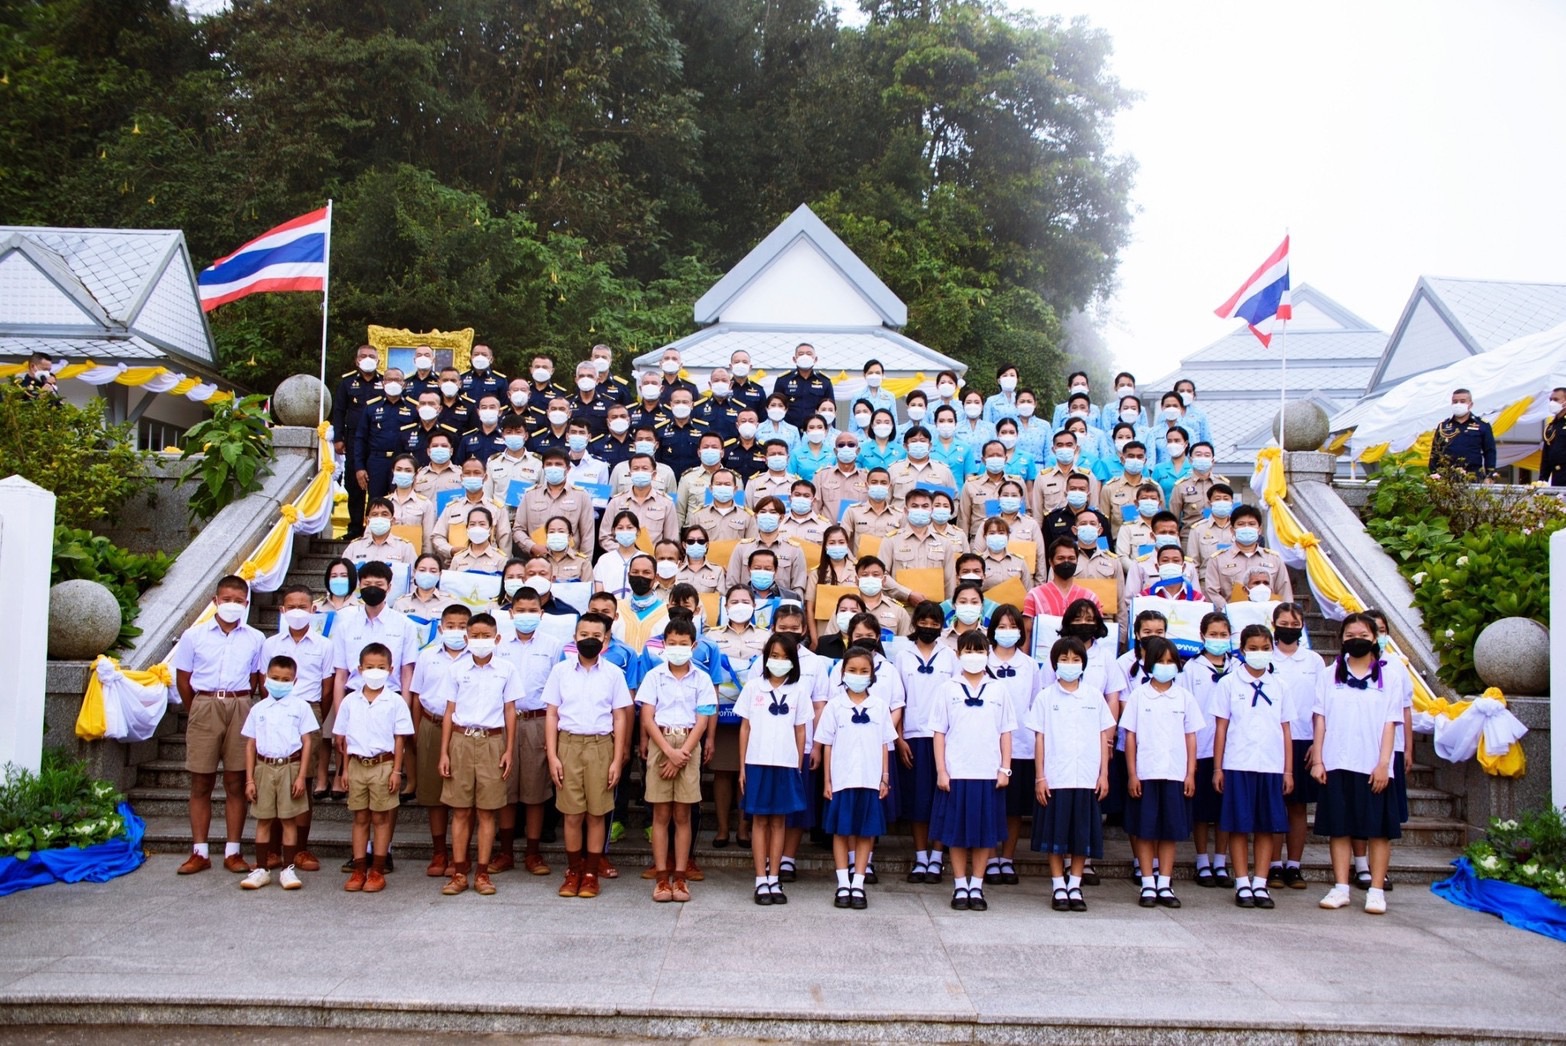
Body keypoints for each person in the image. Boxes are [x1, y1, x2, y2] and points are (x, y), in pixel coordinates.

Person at [1311, 613, 1403, 915]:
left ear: (1374, 638)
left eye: (1362, 634)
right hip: (1337, 762)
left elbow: (1391, 722)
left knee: (1377, 830)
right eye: (1349, 635)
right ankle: (1340, 887)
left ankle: (1376, 891)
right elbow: (1320, 719)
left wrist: (1383, 763)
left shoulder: (1389, 675)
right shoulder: (1329, 674)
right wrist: (1319, 759)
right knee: (1339, 828)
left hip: (1373, 764)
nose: (1356, 640)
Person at [173, 575, 264, 876]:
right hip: (205, 703)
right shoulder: (194, 636)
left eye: (238, 601)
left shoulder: (255, 638)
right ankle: (199, 851)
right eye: (226, 600)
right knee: (201, 781)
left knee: (236, 782)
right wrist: (198, 708)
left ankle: (233, 850)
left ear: (247, 604)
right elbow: (183, 680)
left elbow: (255, 680)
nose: (232, 605)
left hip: (240, 705)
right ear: (215, 601)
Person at [543, 612, 634, 899]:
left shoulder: (613, 674)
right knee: (572, 814)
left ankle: (592, 872)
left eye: (596, 636)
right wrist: (553, 755)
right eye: (584, 635)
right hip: (568, 744)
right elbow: (551, 713)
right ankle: (573, 871)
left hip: (600, 746)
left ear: (606, 640)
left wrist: (617, 759)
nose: (589, 640)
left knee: (596, 814)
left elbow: (620, 717)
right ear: (574, 637)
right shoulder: (561, 672)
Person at [434, 613, 518, 896]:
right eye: (475, 636)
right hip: (461, 739)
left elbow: (510, 712)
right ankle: (459, 872)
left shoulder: (506, 669)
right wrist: (444, 751)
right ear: (466, 639)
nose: (481, 641)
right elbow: (449, 711)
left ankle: (482, 873)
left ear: (497, 639)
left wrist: (508, 749)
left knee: (487, 811)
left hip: (492, 741)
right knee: (459, 810)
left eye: (486, 636)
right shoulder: (457, 670)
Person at [930, 631, 1014, 913]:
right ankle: (959, 884)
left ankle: (976, 886)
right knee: (955, 833)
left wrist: (1005, 768)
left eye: (979, 651)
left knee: (983, 834)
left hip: (988, 773)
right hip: (956, 772)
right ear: (958, 654)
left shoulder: (998, 689)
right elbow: (939, 733)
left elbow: (1006, 732)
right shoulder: (947, 688)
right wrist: (941, 770)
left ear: (987, 653)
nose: (974, 656)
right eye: (968, 650)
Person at [1028, 636, 1113, 913]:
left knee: (1081, 834)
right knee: (1055, 834)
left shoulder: (1094, 697)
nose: (1069, 664)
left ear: (1083, 664)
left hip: (1087, 777)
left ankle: (1075, 884)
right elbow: (1039, 739)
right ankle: (1057, 885)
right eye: (1064, 659)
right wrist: (1040, 777)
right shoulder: (1045, 697)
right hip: (1056, 776)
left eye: (1075, 659)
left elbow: (1103, 737)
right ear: (1054, 664)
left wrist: (1104, 775)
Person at [1212, 624, 1293, 910]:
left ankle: (1261, 881)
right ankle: (1242, 882)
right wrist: (1218, 768)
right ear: (1243, 650)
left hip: (1270, 765)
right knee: (1238, 825)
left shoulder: (1280, 685)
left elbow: (1285, 730)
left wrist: (1288, 770)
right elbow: (1221, 728)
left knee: (1265, 827)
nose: (1260, 654)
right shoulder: (1229, 683)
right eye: (1253, 649)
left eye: (1265, 648)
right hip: (1238, 763)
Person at [1121, 636, 1203, 910]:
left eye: (1171, 662)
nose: (1166, 666)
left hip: (1175, 774)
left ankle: (1165, 883)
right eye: (1160, 661)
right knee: (1145, 831)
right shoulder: (1138, 695)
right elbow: (1130, 737)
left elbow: (1191, 737)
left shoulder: (1184, 697)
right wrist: (1132, 774)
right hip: (1146, 772)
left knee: (1169, 831)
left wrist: (1190, 773)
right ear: (1149, 664)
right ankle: (1147, 883)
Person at [639, 618, 714, 903]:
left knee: (682, 815)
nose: (678, 648)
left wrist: (682, 753)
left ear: (693, 646)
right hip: (661, 742)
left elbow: (703, 718)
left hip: (688, 744)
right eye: (672, 643)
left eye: (683, 644)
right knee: (660, 814)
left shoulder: (702, 679)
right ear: (664, 645)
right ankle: (661, 877)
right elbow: (647, 716)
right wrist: (668, 752)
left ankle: (680, 877)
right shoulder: (654, 677)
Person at [735, 633, 812, 905]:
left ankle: (774, 877)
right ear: (766, 659)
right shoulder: (754, 687)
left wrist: (798, 765)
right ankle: (759, 878)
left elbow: (800, 730)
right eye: (774, 656)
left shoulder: (799, 691)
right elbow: (744, 727)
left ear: (793, 661)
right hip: (757, 761)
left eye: (785, 657)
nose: (779, 661)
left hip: (786, 763)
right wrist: (743, 766)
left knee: (779, 821)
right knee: (759, 820)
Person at [333, 641, 414, 893]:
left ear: (391, 669)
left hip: (384, 764)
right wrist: (345, 769)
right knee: (360, 817)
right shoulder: (349, 701)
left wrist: (397, 770)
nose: (375, 671)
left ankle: (377, 869)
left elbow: (400, 738)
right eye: (369, 667)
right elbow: (343, 738)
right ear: (359, 668)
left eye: (381, 667)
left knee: (380, 818)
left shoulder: (395, 701)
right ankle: (359, 868)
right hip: (357, 764)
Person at [817, 646, 895, 910]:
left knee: (866, 832)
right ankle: (842, 882)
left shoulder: (880, 706)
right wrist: (827, 781)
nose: (858, 675)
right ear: (842, 673)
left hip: (870, 779)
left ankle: (859, 883)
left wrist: (884, 777)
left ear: (872, 675)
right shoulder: (835, 706)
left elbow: (885, 743)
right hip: (842, 779)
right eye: (852, 670)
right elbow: (827, 744)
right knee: (841, 831)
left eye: (864, 671)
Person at [259, 585, 332, 866]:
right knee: (274, 778)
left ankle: (300, 848)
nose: (298, 612)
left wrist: (314, 716)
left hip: (308, 711)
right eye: (292, 607)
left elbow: (326, 688)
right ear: (282, 611)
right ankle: (274, 849)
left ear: (314, 610)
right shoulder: (271, 644)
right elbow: (262, 681)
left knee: (304, 781)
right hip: (275, 710)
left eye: (303, 606)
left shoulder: (325, 645)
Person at [237, 656, 315, 891]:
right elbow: (250, 744)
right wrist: (250, 779)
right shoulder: (259, 709)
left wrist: (301, 776)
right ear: (266, 678)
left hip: (290, 766)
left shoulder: (300, 707)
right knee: (263, 819)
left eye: (285, 679)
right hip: (264, 767)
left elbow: (307, 742)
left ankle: (288, 869)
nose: (279, 683)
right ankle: (261, 868)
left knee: (289, 819)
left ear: (295, 680)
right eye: (275, 678)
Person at [893, 601, 957, 884]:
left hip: (944, 738)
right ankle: (921, 857)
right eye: (924, 621)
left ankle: (937, 857)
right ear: (915, 622)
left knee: (941, 798)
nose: (929, 627)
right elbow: (898, 699)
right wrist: (899, 738)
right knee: (918, 800)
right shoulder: (902, 655)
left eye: (935, 623)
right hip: (913, 736)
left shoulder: (950, 655)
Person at [408, 603, 471, 878]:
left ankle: (462, 852)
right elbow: (417, 697)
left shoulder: (477, 658)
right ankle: (439, 851)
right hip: (431, 725)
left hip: (465, 731)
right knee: (434, 794)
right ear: (441, 627)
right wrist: (414, 730)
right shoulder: (427, 657)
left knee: (463, 793)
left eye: (462, 626)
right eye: (451, 626)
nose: (456, 631)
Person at [1270, 601, 1327, 890]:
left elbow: (1321, 706)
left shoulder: (1314, 661)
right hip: (1272, 740)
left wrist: (1317, 744)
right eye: (1284, 623)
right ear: (1273, 624)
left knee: (1297, 807)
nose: (1289, 629)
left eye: (1295, 625)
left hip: (1304, 739)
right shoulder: (1264, 657)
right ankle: (1273, 865)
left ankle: (1294, 865)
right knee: (1274, 803)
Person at [984, 606, 1039, 887]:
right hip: (986, 745)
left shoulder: (1030, 665)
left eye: (1012, 626)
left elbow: (1034, 702)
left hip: (1022, 745)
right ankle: (990, 858)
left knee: (1014, 808)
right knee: (991, 804)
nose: (1007, 632)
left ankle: (1007, 858)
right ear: (992, 629)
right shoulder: (983, 660)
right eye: (1001, 627)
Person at [1181, 612, 1234, 889]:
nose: (1218, 639)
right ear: (1202, 636)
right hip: (1201, 747)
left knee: (1225, 809)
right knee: (1201, 811)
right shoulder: (1192, 668)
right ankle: (1202, 860)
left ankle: (1221, 860)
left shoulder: (1238, 666)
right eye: (1213, 634)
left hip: (1231, 750)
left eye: (1223, 635)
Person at [332, 345, 383, 539]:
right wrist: (338, 437)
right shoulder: (347, 383)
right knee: (355, 484)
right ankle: (355, 527)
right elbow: (339, 411)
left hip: (377, 438)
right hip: (353, 439)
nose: (367, 359)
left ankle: (375, 527)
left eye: (371, 356)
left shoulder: (383, 382)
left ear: (378, 361)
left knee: (377, 484)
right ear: (356, 360)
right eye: (363, 356)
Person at [1203, 504, 1291, 610]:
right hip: (1231, 618)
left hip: (1268, 618)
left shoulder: (1274, 559)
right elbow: (1211, 592)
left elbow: (1285, 593)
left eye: (1251, 524)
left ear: (1259, 529)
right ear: (1232, 530)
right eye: (1241, 524)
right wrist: (1228, 611)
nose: (1246, 528)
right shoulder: (1218, 559)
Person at [1430, 387, 1497, 479]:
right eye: (1455, 401)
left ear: (1470, 404)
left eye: (1462, 401)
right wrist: (1434, 472)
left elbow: (1489, 451)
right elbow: (1435, 452)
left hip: (1473, 476)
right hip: (1446, 476)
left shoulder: (1482, 425)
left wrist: (1490, 475)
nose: (1458, 404)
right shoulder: (1443, 426)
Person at [344, 498, 419, 567]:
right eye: (375, 514)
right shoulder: (354, 547)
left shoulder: (405, 548)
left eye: (384, 514)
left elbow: (413, 577)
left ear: (393, 521)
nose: (379, 518)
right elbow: (345, 573)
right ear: (367, 521)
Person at [775, 342, 835, 428]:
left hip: (815, 430)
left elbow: (830, 410)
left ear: (815, 359)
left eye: (809, 354)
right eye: (801, 354)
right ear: (794, 359)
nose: (805, 356)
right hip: (788, 430)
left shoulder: (825, 381)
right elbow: (775, 406)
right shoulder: (783, 380)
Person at [1185, 483, 1237, 573]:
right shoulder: (1198, 529)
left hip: (1234, 581)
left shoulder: (1239, 528)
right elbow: (1193, 564)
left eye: (1226, 499)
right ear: (1209, 503)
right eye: (1217, 499)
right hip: (1205, 581)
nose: (1222, 502)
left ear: (1232, 502)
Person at [450, 505, 507, 573]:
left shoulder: (500, 559)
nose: (477, 528)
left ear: (490, 529)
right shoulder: (458, 558)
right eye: (472, 524)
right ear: (467, 528)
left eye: (482, 524)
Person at [455, 394, 507, 467]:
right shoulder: (467, 439)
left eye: (492, 407)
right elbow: (459, 466)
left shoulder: (507, 438)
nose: (488, 410)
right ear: (478, 412)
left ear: (500, 412)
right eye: (484, 407)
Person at [1542, 387, 1566, 486]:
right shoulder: (1551, 426)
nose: (1552, 403)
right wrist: (1542, 479)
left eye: (1556, 400)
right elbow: (1546, 456)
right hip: (1557, 477)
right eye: (1551, 400)